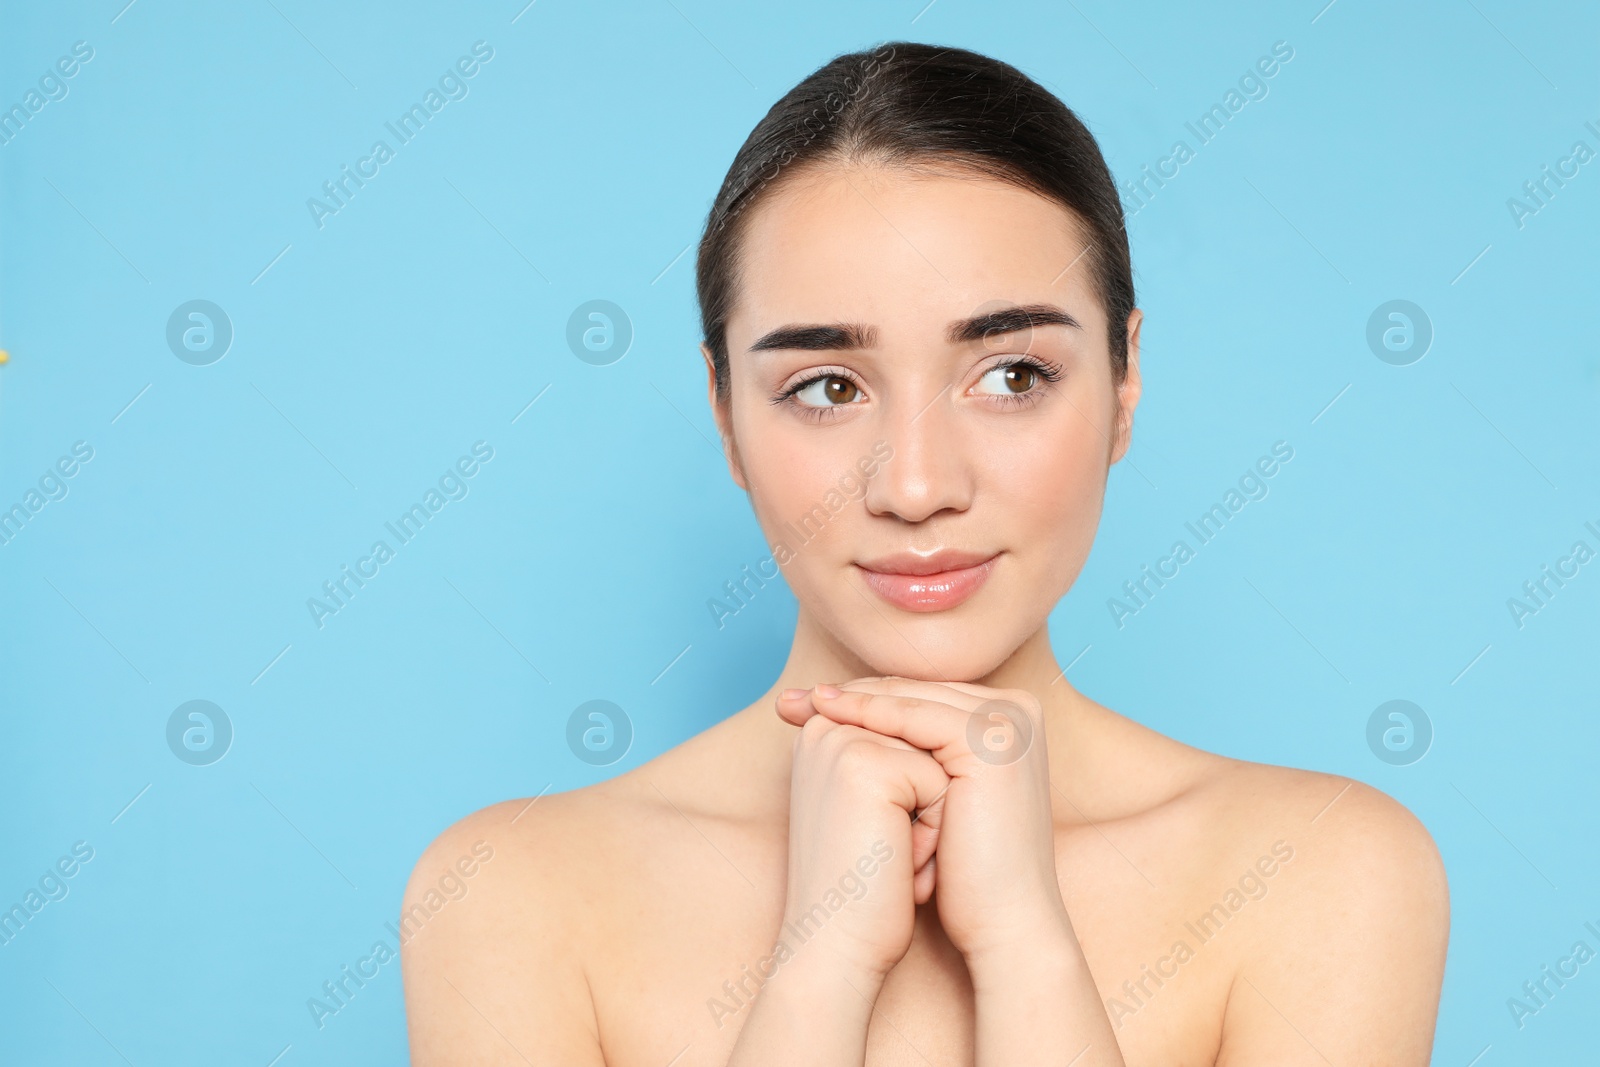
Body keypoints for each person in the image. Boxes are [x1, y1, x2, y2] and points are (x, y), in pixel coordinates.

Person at [401, 41, 1449, 1065]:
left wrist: (1027, 949)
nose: (914, 486)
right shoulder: (511, 895)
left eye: (1011, 375)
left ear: (1125, 385)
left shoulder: (1322, 871)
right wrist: (819, 971)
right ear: (725, 415)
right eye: (827, 386)